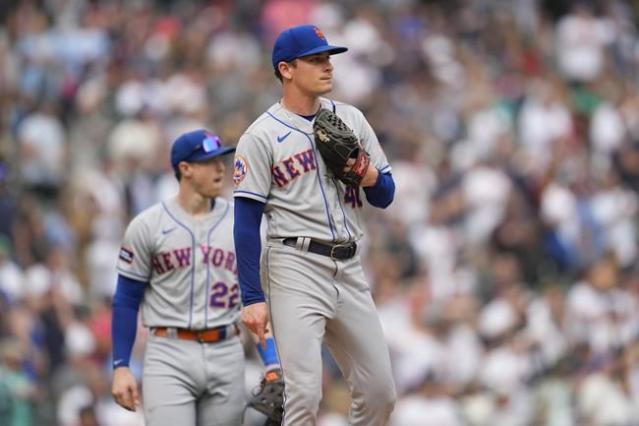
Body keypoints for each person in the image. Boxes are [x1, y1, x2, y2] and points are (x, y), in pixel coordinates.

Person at [233, 24, 397, 425]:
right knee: (302, 393)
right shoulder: (262, 136)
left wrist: (366, 172)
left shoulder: (351, 119)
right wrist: (252, 297)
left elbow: (386, 194)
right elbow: (244, 221)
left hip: (349, 266)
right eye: (316, 59)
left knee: (381, 393)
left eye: (328, 58)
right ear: (286, 69)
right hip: (294, 264)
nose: (327, 66)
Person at [110, 129, 282, 425]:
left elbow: (254, 301)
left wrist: (272, 361)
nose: (220, 169)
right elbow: (126, 298)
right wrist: (121, 365)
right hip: (169, 352)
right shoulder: (148, 225)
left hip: (226, 349)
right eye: (209, 162)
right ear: (185, 169)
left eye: (221, 161)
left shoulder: (241, 223)